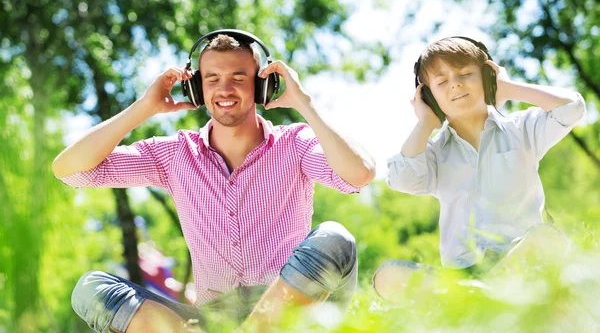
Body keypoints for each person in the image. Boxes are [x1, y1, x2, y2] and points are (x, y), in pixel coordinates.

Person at [52, 31, 376, 332]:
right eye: (212, 79)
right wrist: (144, 108)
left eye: (238, 77)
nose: (225, 89)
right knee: (91, 289)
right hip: (210, 319)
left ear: (262, 86)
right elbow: (69, 169)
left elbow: (360, 172)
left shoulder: (296, 143)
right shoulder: (174, 154)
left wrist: (305, 103)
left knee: (335, 238)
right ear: (197, 89)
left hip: (291, 311)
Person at [373, 37, 586, 303]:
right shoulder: (434, 154)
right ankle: (483, 294)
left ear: (488, 78)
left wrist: (508, 88)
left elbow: (572, 107)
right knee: (388, 276)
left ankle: (474, 298)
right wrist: (426, 123)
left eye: (465, 74)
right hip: (460, 272)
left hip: (521, 255)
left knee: (546, 238)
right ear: (429, 97)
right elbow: (401, 178)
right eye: (441, 82)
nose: (455, 83)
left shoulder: (522, 130)